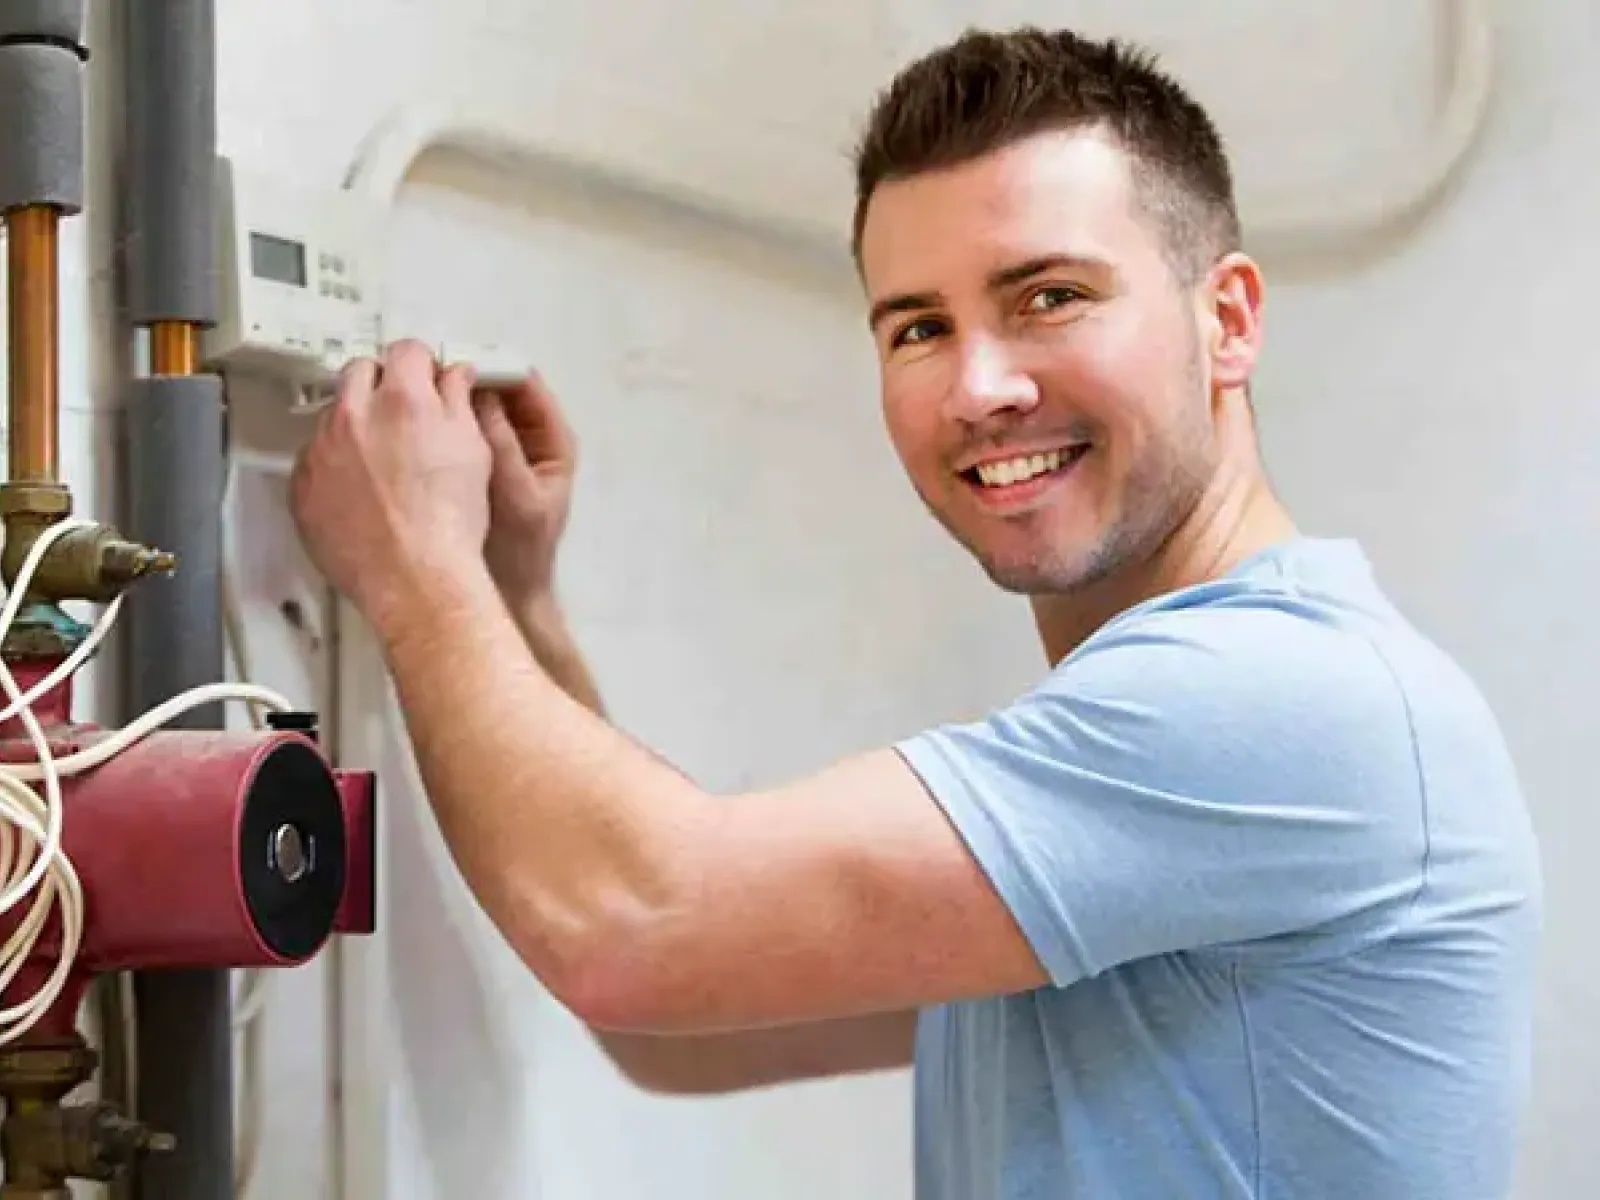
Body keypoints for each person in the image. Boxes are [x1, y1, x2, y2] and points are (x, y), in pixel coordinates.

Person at [289, 26, 1542, 1200]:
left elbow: (636, 928)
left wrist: (416, 574)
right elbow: (675, 1017)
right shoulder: (1152, 760)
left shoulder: (1275, 702)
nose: (981, 387)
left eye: (1048, 296)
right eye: (920, 328)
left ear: (1226, 321)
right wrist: (510, 597)